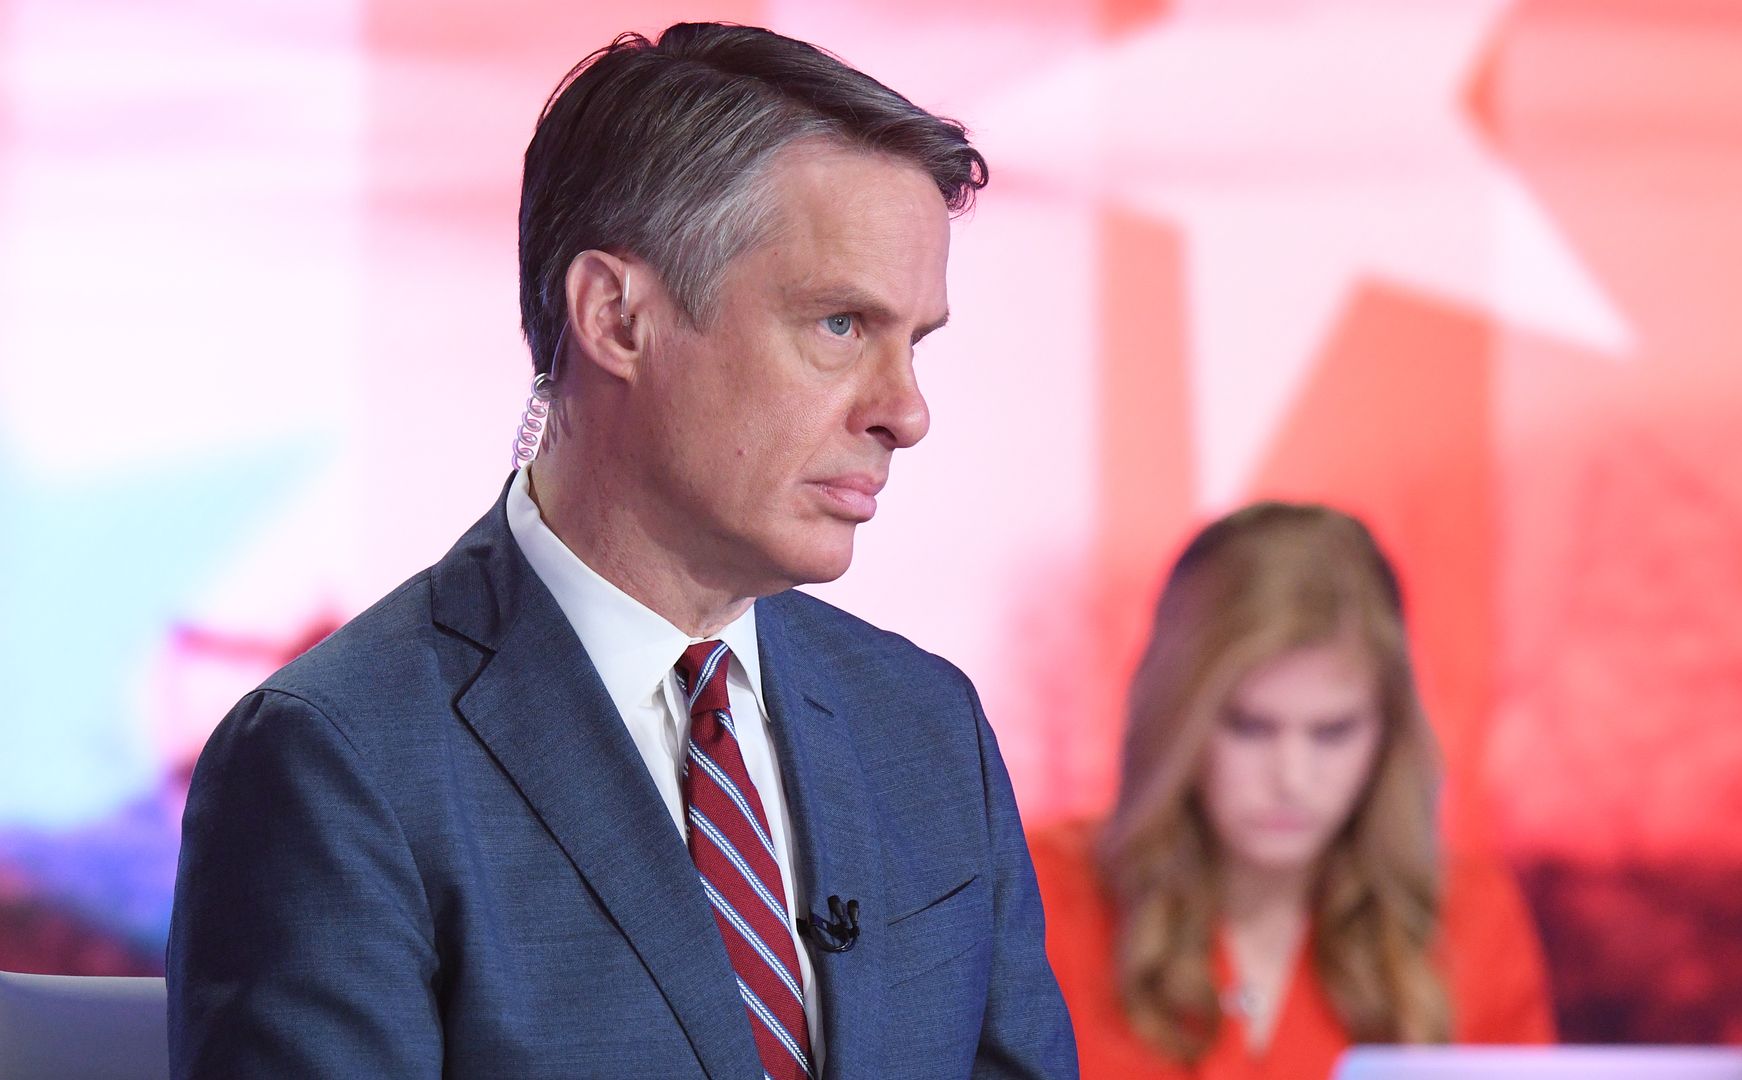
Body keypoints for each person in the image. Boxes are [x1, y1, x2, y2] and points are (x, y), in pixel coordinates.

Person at [167, 24, 1076, 1080]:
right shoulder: (338, 765)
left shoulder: (926, 730)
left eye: (913, 343)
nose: (905, 413)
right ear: (616, 316)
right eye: (838, 325)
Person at [1029, 503, 1552, 1079]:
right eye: (1250, 727)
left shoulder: (1470, 921)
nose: (1292, 777)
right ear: (1178, 722)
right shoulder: (1044, 899)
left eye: (1333, 732)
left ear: (1388, 733)